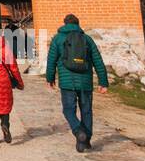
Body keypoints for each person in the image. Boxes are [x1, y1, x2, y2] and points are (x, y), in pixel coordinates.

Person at [45, 13, 109, 152]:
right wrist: (103, 82)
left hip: (67, 83)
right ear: (78, 24)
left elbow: (51, 61)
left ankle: (78, 130)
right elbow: (98, 61)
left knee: (68, 110)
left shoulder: (58, 39)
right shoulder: (87, 39)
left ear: (65, 23)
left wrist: (50, 78)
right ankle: (85, 141)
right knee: (86, 110)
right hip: (85, 82)